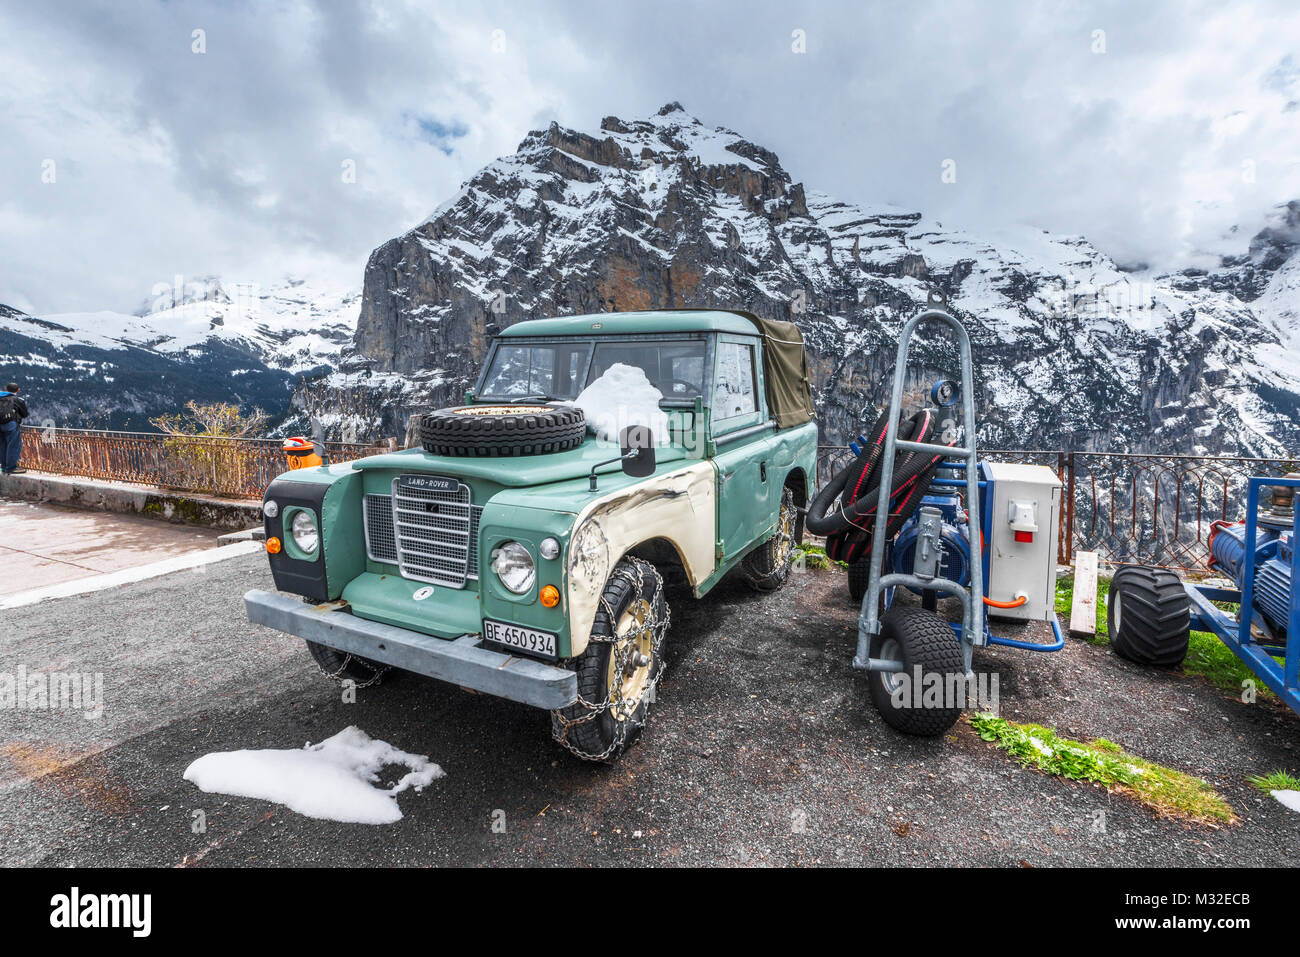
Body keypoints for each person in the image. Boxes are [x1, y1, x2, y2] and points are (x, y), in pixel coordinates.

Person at [0, 382, 30, 475]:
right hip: (11, 424)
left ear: (6, 389)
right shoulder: (18, 400)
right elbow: (24, 414)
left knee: (2, 445)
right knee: (13, 445)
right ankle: (11, 467)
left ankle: (4, 466)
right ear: (18, 390)